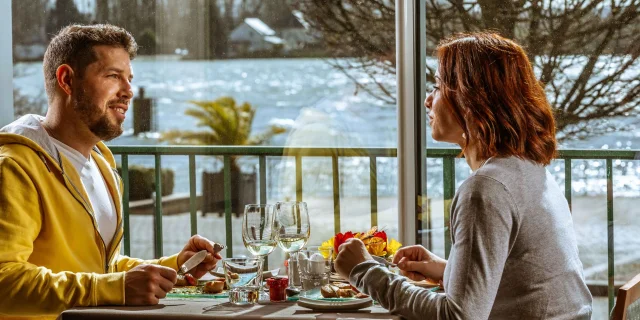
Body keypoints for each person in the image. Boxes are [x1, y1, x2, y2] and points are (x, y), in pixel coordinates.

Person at [334, 32, 593, 319]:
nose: (427, 101)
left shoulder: (486, 189)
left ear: (471, 100)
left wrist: (364, 272)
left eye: (438, 86)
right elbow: (525, 281)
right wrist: (448, 269)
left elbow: (457, 316)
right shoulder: (528, 168)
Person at [0, 24, 222, 319]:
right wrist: (114, 289)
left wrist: (174, 267)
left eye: (129, 78)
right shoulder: (13, 167)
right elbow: (4, 280)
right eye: (113, 76)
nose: (129, 91)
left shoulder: (101, 162)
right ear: (67, 80)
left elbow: (101, 269)